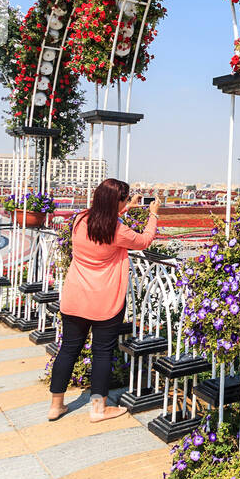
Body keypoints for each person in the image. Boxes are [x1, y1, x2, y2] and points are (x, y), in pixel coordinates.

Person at [48, 179, 161, 422]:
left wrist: (126, 207)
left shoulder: (80, 220)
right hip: (104, 300)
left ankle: (56, 405)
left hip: (75, 296)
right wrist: (153, 215)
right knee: (102, 352)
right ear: (116, 202)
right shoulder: (117, 230)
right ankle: (98, 409)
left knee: (68, 349)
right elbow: (143, 241)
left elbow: (106, 217)